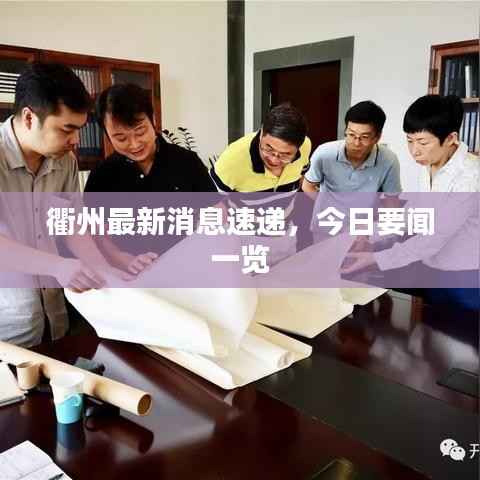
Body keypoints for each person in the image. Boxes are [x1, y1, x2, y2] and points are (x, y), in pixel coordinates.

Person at [0, 62, 134, 347]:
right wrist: (58, 266)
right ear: (29, 118)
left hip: (55, 316)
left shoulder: (64, 162)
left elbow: (71, 223)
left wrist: (102, 269)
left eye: (79, 129)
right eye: (66, 129)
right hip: (8, 326)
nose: (75, 140)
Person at [342, 95, 479, 309]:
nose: (414, 151)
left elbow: (433, 238)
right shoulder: (429, 165)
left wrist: (376, 259)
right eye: (409, 140)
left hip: (465, 278)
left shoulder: (470, 177)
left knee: (460, 329)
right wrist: (368, 234)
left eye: (423, 142)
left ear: (451, 138)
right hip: (433, 271)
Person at [84, 83, 217, 269]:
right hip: (129, 274)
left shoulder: (186, 162)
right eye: (121, 138)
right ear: (107, 134)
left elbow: (215, 210)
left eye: (140, 132)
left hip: (185, 268)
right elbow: (97, 233)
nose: (134, 144)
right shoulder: (102, 175)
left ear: (153, 120)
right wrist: (122, 258)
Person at [302, 101, 401, 193]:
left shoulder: (389, 160)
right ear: (345, 131)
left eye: (364, 137)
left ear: (377, 137)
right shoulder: (324, 153)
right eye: (351, 134)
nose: (356, 143)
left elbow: (392, 199)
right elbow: (307, 186)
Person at [210, 103, 311, 193]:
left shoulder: (305, 146)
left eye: (285, 154)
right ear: (262, 132)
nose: (274, 160)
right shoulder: (232, 159)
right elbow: (213, 201)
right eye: (269, 149)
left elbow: (302, 176)